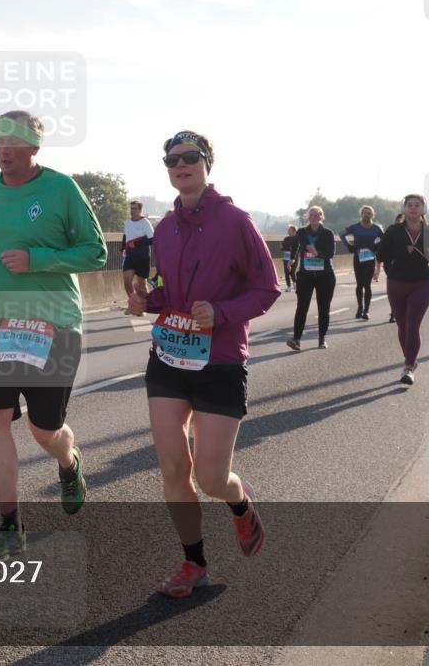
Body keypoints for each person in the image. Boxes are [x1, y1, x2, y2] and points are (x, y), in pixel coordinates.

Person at [128, 130, 279, 598]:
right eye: (172, 159)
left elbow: (268, 287)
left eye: (190, 157)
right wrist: (146, 301)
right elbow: (171, 294)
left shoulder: (235, 221)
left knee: (210, 477)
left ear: (208, 163)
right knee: (173, 467)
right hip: (170, 357)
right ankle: (193, 563)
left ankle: (239, 502)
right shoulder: (165, 229)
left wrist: (222, 313)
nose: (181, 165)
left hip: (219, 361)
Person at [0, 110, 107, 560]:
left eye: (15, 141)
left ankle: (69, 460)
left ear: (34, 148)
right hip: (1, 323)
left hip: (54, 323)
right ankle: (9, 526)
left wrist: (38, 258)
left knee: (46, 429)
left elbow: (96, 251)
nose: (4, 148)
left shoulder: (60, 188)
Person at [376, 194, 429, 384]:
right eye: (410, 205)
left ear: (423, 209)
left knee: (413, 324)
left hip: (422, 282)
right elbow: (381, 254)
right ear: (404, 209)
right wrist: (401, 252)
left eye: (417, 205)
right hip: (397, 282)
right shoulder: (394, 230)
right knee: (402, 326)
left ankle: (408, 367)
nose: (413, 208)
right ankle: (411, 361)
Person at [286, 206, 336, 350]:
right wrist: (292, 259)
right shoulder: (302, 232)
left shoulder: (328, 233)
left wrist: (317, 253)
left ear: (322, 216)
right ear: (308, 216)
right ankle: (296, 340)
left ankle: (321, 339)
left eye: (317, 215)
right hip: (305, 275)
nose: (314, 217)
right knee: (302, 307)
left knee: (323, 308)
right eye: (311, 215)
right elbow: (296, 243)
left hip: (325, 275)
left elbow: (330, 253)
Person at [341, 206, 384, 320]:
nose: (366, 215)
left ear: (372, 215)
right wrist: (349, 246)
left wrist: (376, 247)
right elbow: (341, 233)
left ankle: (366, 311)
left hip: (370, 259)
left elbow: (384, 240)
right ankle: (360, 308)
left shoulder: (376, 228)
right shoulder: (355, 227)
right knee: (359, 285)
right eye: (365, 213)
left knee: (367, 285)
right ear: (361, 214)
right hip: (358, 259)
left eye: (369, 213)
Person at [122, 200, 154, 300]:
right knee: (127, 281)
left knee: (141, 286)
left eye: (135, 209)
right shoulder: (127, 223)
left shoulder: (145, 222)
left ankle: (145, 305)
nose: (132, 211)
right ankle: (133, 302)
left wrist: (136, 244)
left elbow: (152, 240)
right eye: (131, 208)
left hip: (142, 257)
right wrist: (122, 248)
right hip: (130, 256)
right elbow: (125, 237)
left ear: (140, 210)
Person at [383, 213, 404, 322]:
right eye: (398, 221)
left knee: (400, 289)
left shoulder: (409, 232)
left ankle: (396, 311)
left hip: (405, 264)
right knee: (395, 289)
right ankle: (394, 312)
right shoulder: (390, 230)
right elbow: (382, 250)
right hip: (390, 264)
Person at [280, 225, 297, 292]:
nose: (288, 232)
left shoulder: (297, 239)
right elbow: (282, 248)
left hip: (294, 257)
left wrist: (290, 249)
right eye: (288, 231)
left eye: (290, 231)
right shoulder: (286, 239)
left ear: (294, 231)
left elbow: (297, 249)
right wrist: (282, 248)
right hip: (286, 257)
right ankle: (289, 287)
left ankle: (295, 285)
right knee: (286, 272)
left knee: (292, 272)